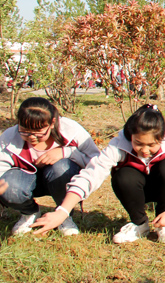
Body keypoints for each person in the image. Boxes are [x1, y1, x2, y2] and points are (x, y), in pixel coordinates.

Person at [31, 105, 165, 244]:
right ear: (130, 136)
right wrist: (62, 211)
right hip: (135, 190)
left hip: (164, 188)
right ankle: (139, 224)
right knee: (123, 175)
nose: (145, 150)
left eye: (152, 145)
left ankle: (163, 225)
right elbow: (92, 174)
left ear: (162, 138)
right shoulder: (118, 146)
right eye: (138, 143)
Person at [0, 97, 100, 236]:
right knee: (6, 184)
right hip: (25, 180)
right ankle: (29, 213)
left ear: (52, 123)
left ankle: (63, 214)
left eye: (39, 131)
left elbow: (95, 160)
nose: (32, 137)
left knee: (62, 168)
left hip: (60, 178)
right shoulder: (10, 137)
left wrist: (67, 152)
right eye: (25, 131)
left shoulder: (70, 130)